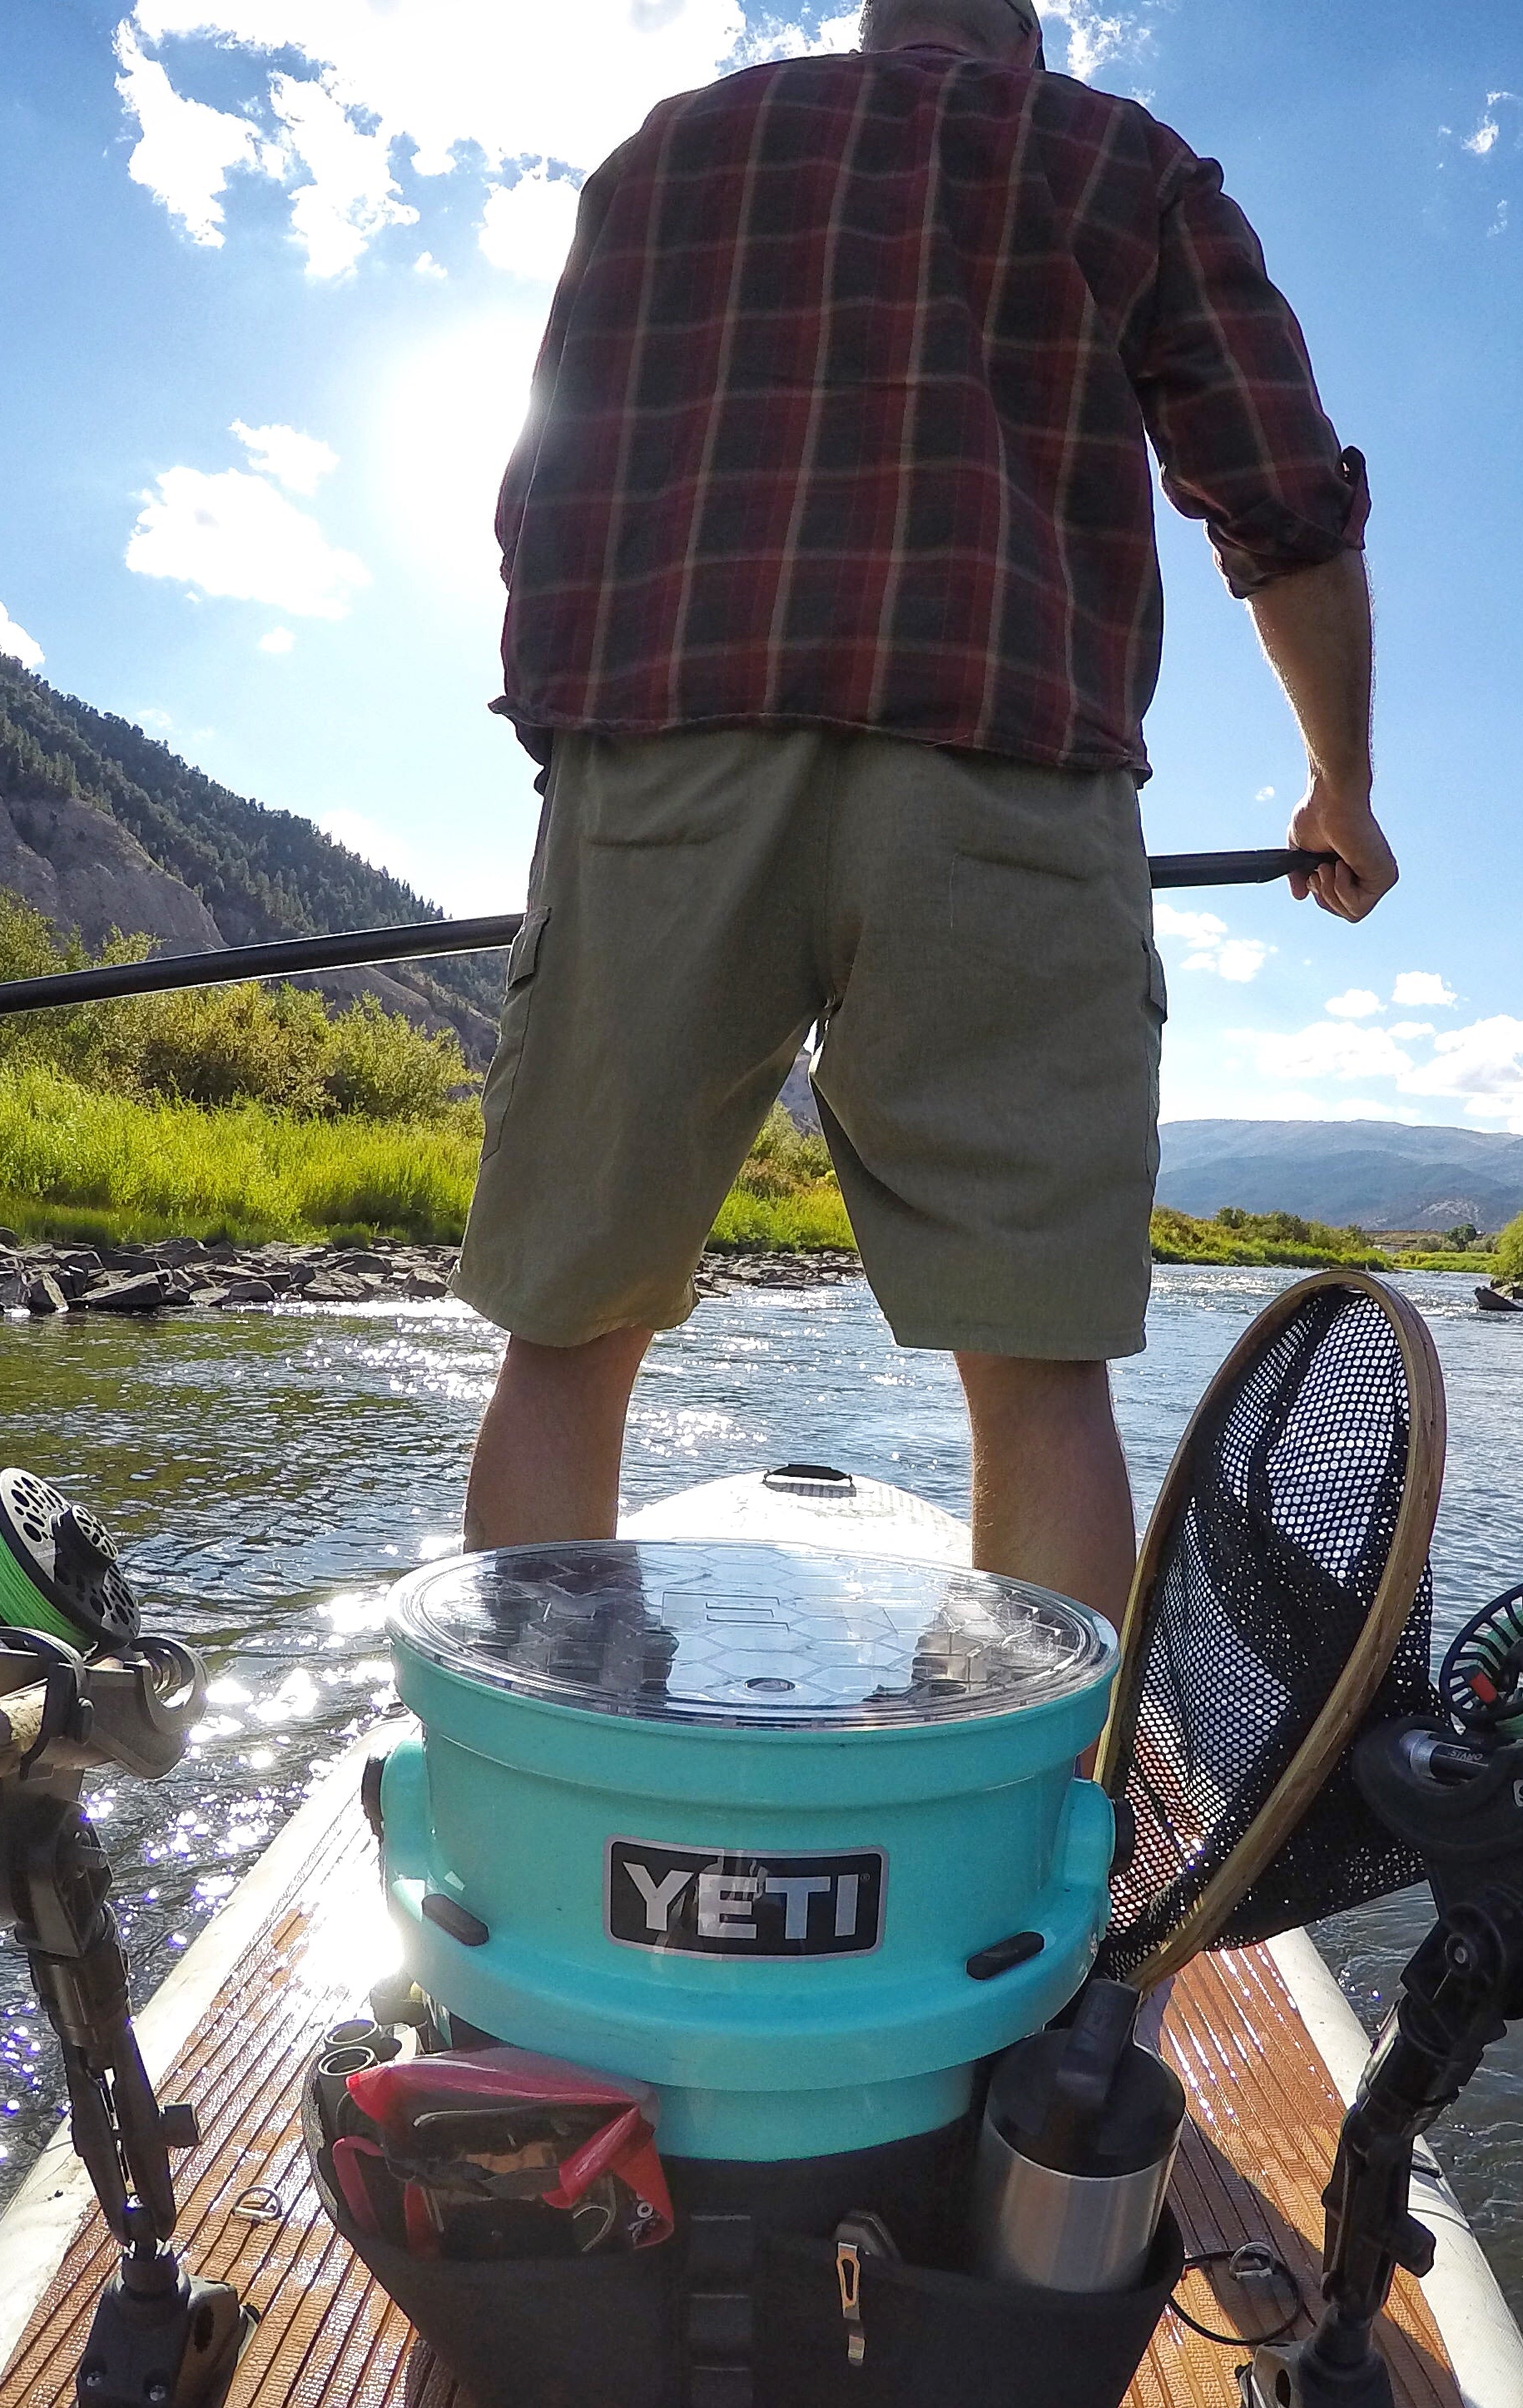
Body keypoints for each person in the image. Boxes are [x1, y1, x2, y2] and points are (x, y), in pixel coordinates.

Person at [454, 0, 1388, 1623]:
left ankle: (522, 1791)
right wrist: (1341, 786)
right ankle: (1041, 1838)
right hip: (1008, 773)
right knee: (1035, 1372)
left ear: (871, 23)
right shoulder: (1123, 162)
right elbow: (1281, 498)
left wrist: (587, 783)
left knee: (569, 1338)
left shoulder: (666, 152)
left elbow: (540, 494)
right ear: (1020, 41)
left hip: (665, 760)